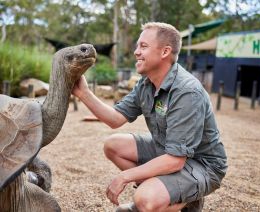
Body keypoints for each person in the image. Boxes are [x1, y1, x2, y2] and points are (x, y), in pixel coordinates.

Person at [72, 22, 227, 212]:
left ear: (164, 52)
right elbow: (115, 119)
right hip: (168, 149)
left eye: (143, 46)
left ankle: (177, 200)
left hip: (201, 164)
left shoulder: (186, 92)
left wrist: (125, 176)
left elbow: (175, 160)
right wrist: (84, 93)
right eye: (137, 46)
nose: (136, 52)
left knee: (145, 199)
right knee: (113, 146)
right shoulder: (146, 84)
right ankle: (170, 194)